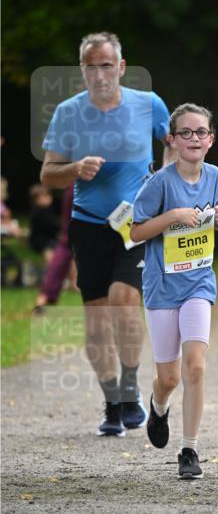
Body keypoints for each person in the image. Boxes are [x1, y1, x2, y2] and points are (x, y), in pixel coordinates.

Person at [40, 31, 170, 437]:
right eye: (91, 66)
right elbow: (48, 175)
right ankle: (113, 402)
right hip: (88, 225)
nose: (99, 74)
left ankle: (131, 390)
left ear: (122, 67)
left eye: (107, 65)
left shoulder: (148, 104)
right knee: (97, 320)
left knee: (124, 300)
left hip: (135, 225)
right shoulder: (68, 113)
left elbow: (175, 144)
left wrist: (165, 183)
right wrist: (75, 169)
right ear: (82, 69)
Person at [130, 103, 218, 480]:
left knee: (195, 365)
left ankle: (189, 449)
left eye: (200, 132)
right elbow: (136, 232)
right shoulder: (159, 182)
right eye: (185, 133)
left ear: (211, 139)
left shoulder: (217, 177)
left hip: (198, 283)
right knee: (170, 378)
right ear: (172, 140)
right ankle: (158, 406)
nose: (194, 138)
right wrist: (173, 216)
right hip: (162, 287)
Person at [32, 184, 77, 314]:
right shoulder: (38, 213)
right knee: (57, 261)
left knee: (60, 260)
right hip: (51, 242)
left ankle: (45, 296)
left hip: (62, 239)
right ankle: (45, 297)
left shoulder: (50, 210)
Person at [28, 184, 61, 260]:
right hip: (41, 241)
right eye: (44, 196)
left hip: (49, 238)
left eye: (48, 195)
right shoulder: (37, 212)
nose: (48, 198)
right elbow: (52, 225)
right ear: (35, 200)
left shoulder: (48, 210)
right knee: (50, 255)